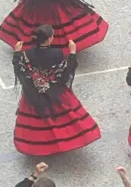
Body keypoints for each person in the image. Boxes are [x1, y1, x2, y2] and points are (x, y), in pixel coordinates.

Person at [12, 25, 101, 155]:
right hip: (55, 92)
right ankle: (60, 142)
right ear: (49, 39)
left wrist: (17, 53)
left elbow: (20, 70)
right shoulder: (57, 53)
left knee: (37, 121)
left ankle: (39, 146)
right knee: (61, 117)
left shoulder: (27, 54)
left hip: (34, 92)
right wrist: (72, 53)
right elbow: (65, 73)